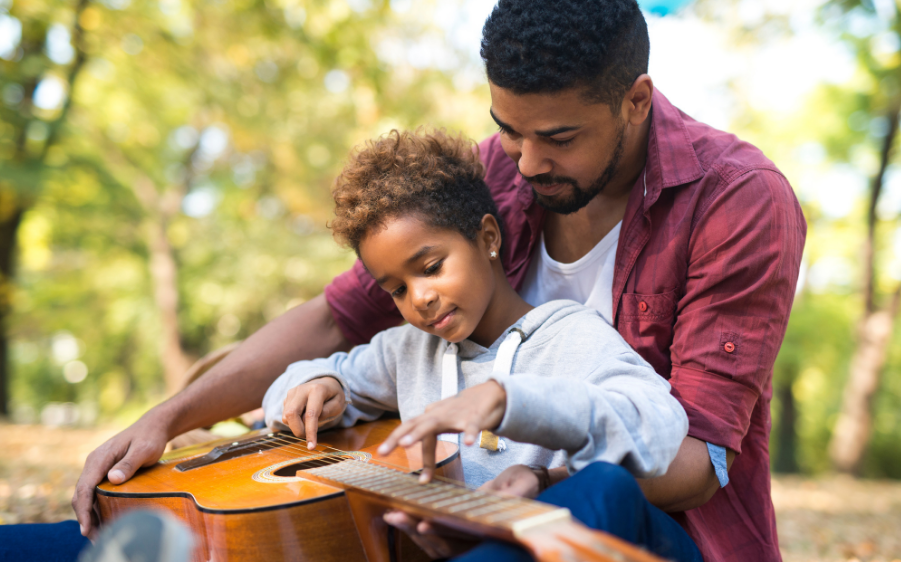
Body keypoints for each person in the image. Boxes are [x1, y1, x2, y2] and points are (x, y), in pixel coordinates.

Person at [68, 1, 805, 561]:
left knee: (599, 488)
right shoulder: (493, 176)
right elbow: (336, 322)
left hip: (656, 532)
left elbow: (695, 462)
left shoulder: (734, 201)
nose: (525, 163)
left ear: (635, 100)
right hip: (468, 521)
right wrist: (167, 419)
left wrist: (532, 482)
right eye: (509, 130)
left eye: (558, 138)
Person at [261, 128, 688, 493]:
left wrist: (508, 402)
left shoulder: (570, 337)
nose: (420, 298)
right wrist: (317, 385)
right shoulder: (406, 353)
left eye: (431, 268)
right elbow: (291, 389)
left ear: (487, 237)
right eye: (396, 290)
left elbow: (660, 424)